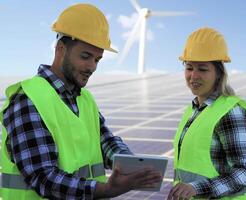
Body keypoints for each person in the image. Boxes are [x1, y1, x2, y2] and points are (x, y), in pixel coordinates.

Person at [0, 3, 162, 199]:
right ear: (60, 49)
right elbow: (43, 177)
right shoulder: (28, 100)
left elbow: (105, 140)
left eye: (97, 59)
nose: (92, 67)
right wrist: (104, 190)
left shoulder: (85, 99)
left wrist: (127, 162)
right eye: (85, 56)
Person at [167, 27, 246, 200]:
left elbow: (245, 172)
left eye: (203, 69)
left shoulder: (230, 111)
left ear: (218, 73)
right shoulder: (193, 110)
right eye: (189, 67)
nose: (193, 76)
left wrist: (196, 188)